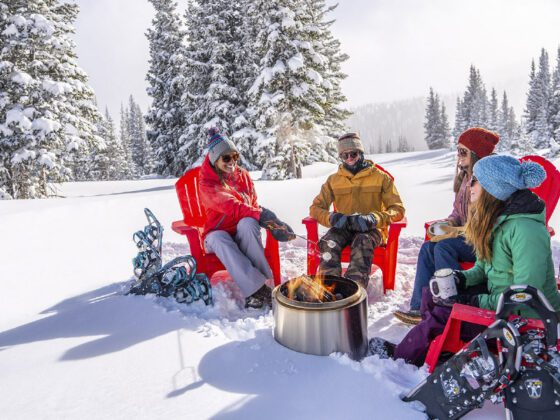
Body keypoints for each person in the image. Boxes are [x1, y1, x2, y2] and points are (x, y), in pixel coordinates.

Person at [369, 154, 560, 366]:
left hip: (526, 318)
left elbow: (523, 294)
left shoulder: (525, 230)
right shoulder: (498, 221)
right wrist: (461, 279)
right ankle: (434, 347)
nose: (470, 186)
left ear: (493, 188)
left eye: (475, 181)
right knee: (433, 296)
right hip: (501, 301)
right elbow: (482, 267)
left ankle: (403, 357)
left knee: (445, 310)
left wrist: (473, 301)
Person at [394, 127, 499, 325]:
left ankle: (452, 303)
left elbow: (488, 225)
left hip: (486, 243)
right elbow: (458, 213)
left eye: (463, 151)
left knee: (444, 246)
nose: (458, 156)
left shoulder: (488, 182)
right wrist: (449, 223)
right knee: (427, 248)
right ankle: (419, 308)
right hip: (467, 237)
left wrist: (454, 232)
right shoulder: (466, 178)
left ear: (476, 154)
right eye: (457, 150)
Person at [199, 128, 295, 309]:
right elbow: (231, 205)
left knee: (249, 223)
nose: (232, 162)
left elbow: (252, 204)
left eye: (235, 156)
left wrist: (271, 220)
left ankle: (265, 284)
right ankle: (256, 291)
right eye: (226, 158)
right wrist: (261, 216)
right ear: (214, 159)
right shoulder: (206, 182)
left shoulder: (242, 176)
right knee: (220, 238)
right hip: (216, 234)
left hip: (240, 229)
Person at [309, 132, 405, 288]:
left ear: (361, 153)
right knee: (329, 242)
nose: (349, 158)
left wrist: (374, 219)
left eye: (353, 154)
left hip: (372, 229)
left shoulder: (381, 178)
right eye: (344, 155)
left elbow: (397, 209)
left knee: (362, 241)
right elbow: (315, 208)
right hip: (344, 227)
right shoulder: (334, 180)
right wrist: (332, 218)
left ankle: (353, 289)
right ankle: (328, 288)